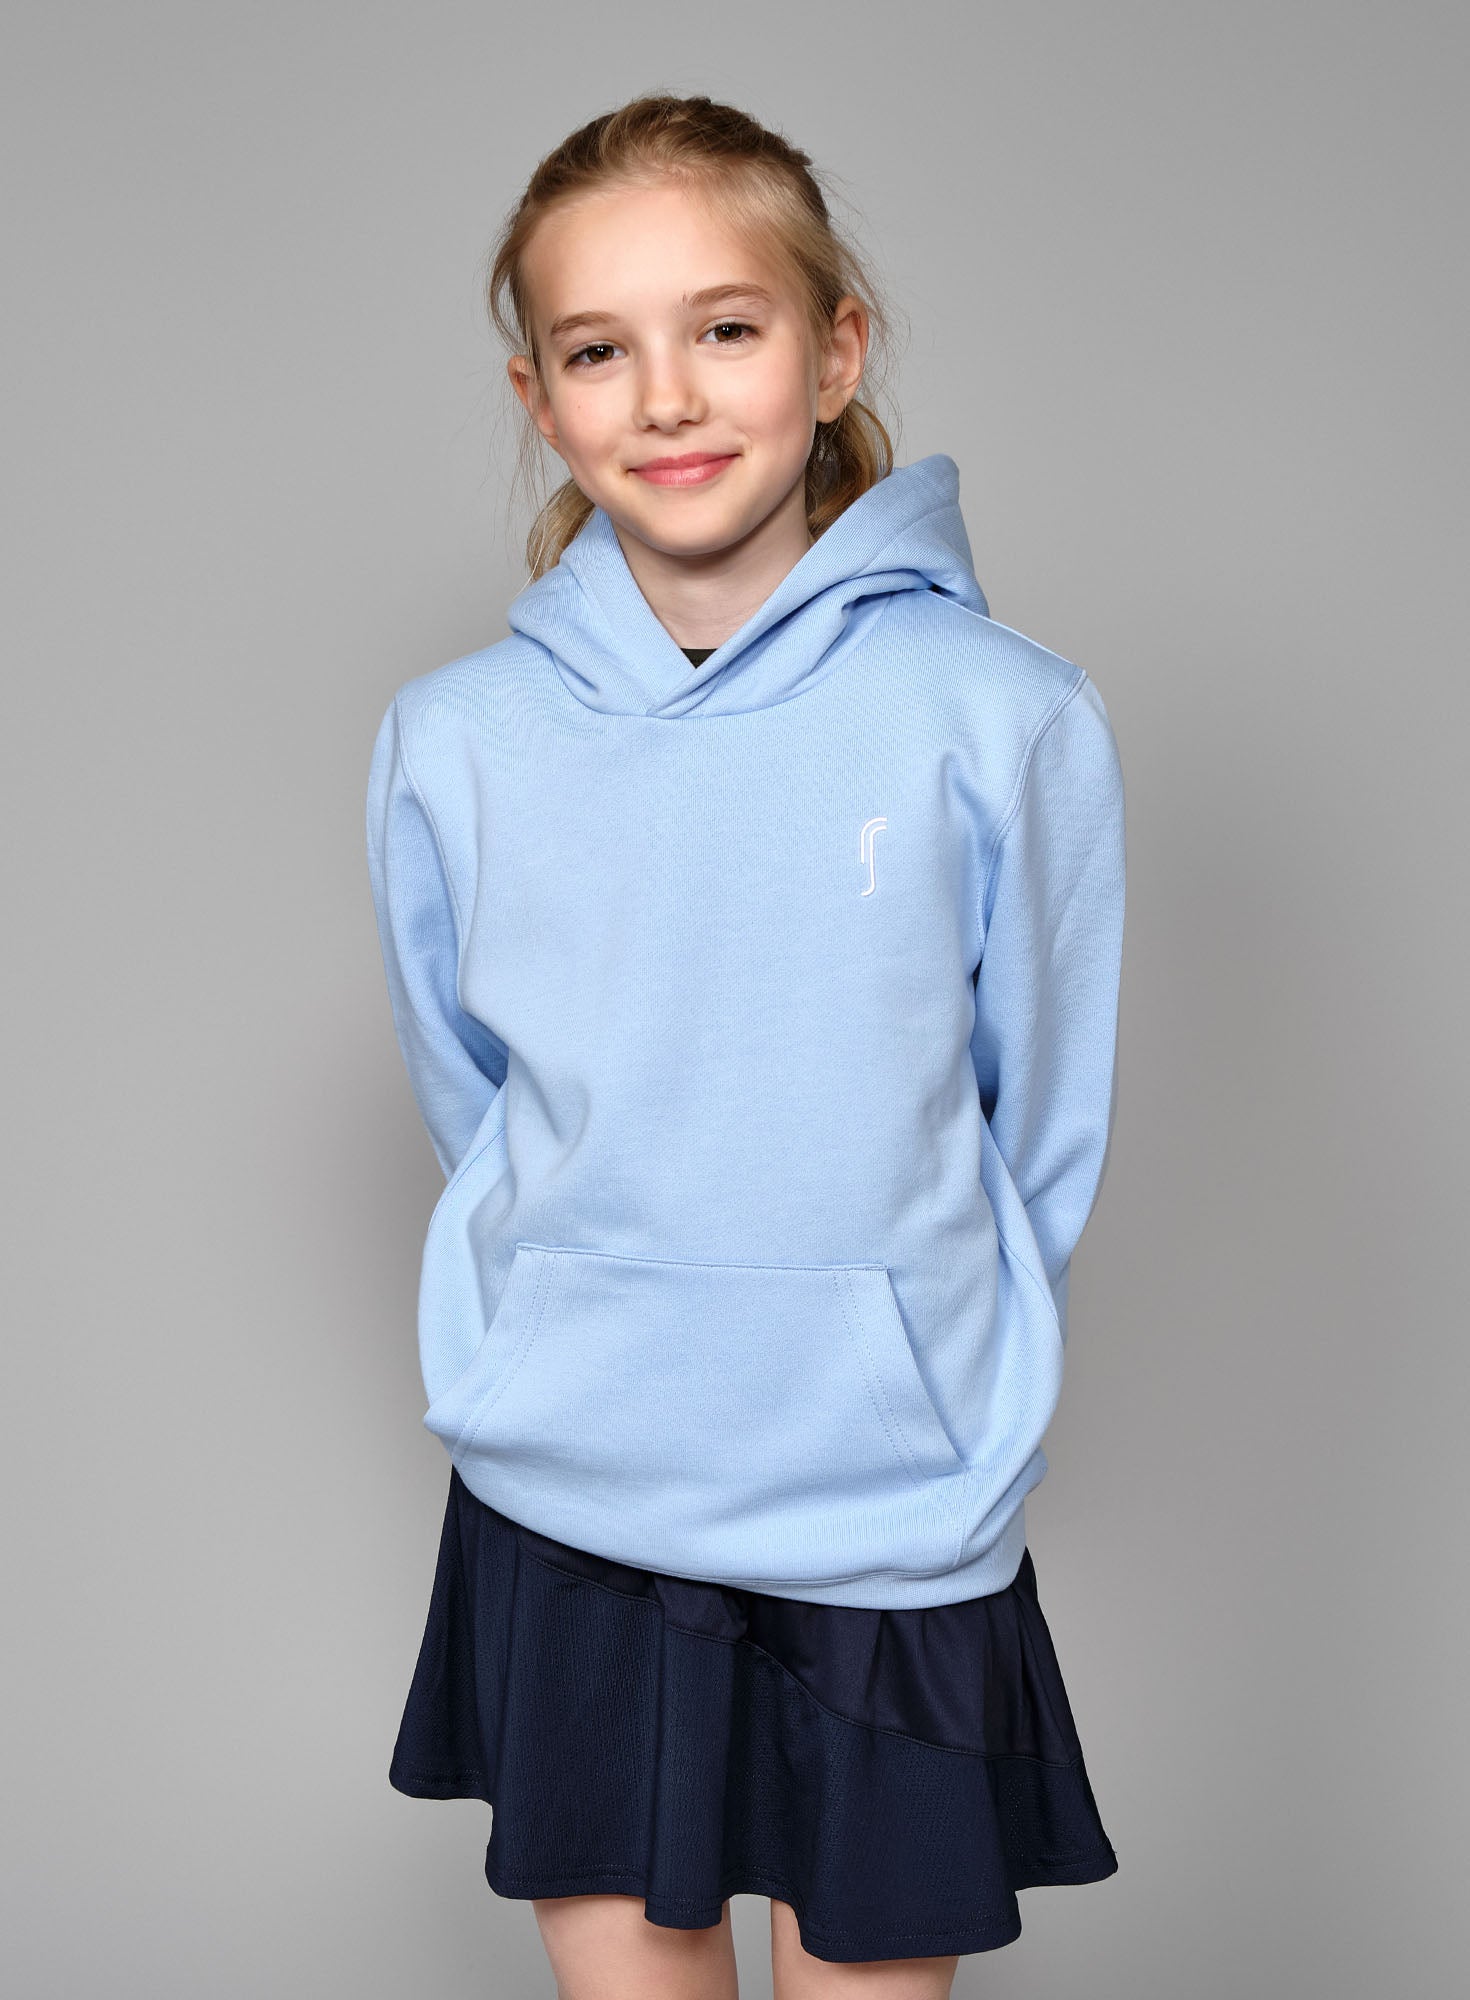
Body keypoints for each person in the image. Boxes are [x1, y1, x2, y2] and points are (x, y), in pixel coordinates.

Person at [365, 90, 1126, 2000]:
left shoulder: (1002, 714)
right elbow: (480, 1100)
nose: (668, 397)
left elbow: (1038, 1118)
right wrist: (576, 1304)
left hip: (886, 1500)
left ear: (834, 349)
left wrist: (906, 1357)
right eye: (596, 351)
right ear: (538, 398)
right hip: (572, 1490)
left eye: (724, 326)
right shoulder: (454, 740)